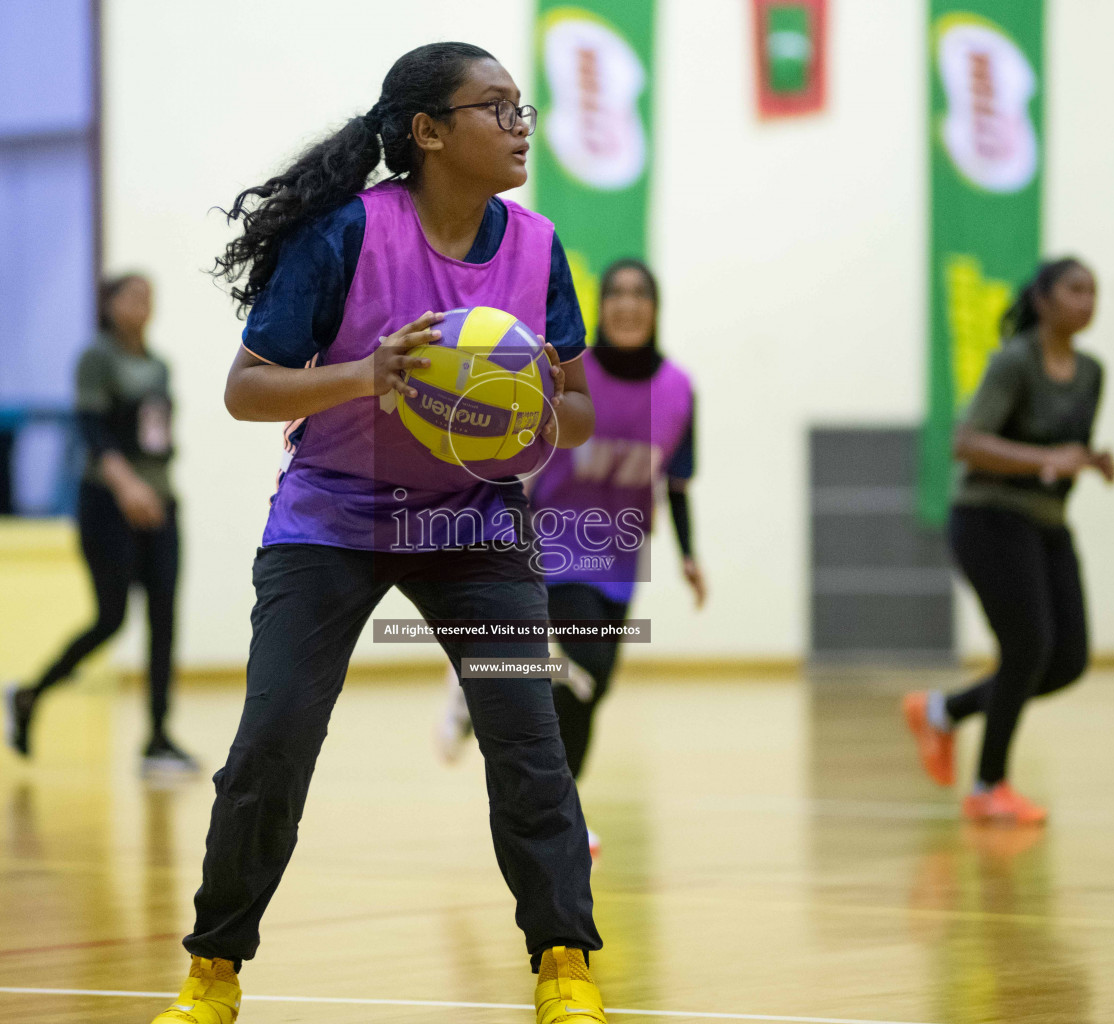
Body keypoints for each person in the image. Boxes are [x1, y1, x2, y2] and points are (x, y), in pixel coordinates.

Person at [148, 43, 607, 1024]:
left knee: (529, 741)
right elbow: (246, 389)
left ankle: (565, 959)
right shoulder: (347, 236)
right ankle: (213, 972)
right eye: (497, 108)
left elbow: (581, 405)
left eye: (523, 109)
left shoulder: (536, 244)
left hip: (473, 521)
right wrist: (367, 375)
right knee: (272, 742)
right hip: (333, 518)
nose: (520, 125)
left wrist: (532, 407)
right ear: (429, 131)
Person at [434, 258, 703, 860]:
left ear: (655, 307)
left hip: (619, 561)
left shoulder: (679, 390)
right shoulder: (568, 377)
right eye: (617, 294)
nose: (628, 304)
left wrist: (689, 557)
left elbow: (677, 484)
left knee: (591, 686)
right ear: (600, 307)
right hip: (552, 547)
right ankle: (560, 816)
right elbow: (519, 450)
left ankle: (485, 695)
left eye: (640, 293)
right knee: (580, 671)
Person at [904, 257, 1113, 825]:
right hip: (989, 518)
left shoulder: (1093, 372)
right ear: (1043, 300)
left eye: (1093, 291)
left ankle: (942, 711)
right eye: (1074, 289)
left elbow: (1063, 450)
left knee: (1066, 660)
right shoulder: (1014, 363)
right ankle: (989, 786)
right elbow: (966, 442)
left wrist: (1088, 461)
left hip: (1048, 523)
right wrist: (1048, 459)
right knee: (1027, 648)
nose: (1086, 300)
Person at [5, 274, 195, 775]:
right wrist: (128, 487)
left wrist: (156, 490)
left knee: (164, 617)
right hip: (109, 504)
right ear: (109, 304)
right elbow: (92, 430)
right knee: (111, 618)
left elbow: (156, 439)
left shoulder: (158, 366)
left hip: (161, 503)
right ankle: (30, 694)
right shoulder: (97, 358)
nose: (143, 304)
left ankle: (157, 736)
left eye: (150, 296)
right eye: (132, 295)